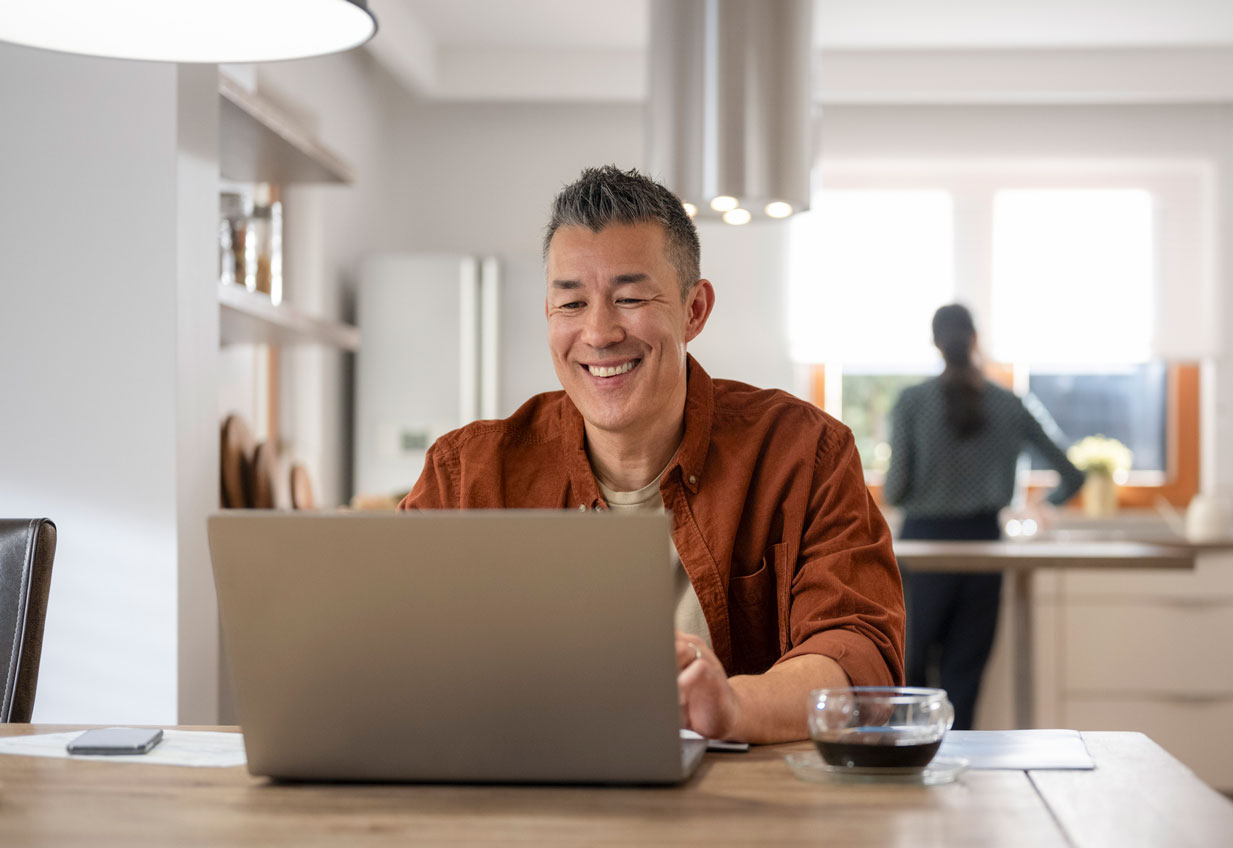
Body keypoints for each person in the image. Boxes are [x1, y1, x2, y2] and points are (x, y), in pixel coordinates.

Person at [399, 165, 904, 744]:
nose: (599, 332)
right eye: (571, 303)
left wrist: (731, 707)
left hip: (745, 795)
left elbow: (859, 656)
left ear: (694, 310)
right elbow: (390, 648)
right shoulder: (467, 474)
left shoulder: (804, 452)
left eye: (630, 298)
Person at [884, 303, 1083, 729]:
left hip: (922, 548)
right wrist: (1041, 506)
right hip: (985, 548)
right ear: (975, 339)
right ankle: (958, 765)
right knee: (965, 677)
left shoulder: (912, 402)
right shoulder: (1010, 404)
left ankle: (909, 759)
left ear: (935, 342)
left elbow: (895, 490)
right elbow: (1072, 474)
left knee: (909, 671)